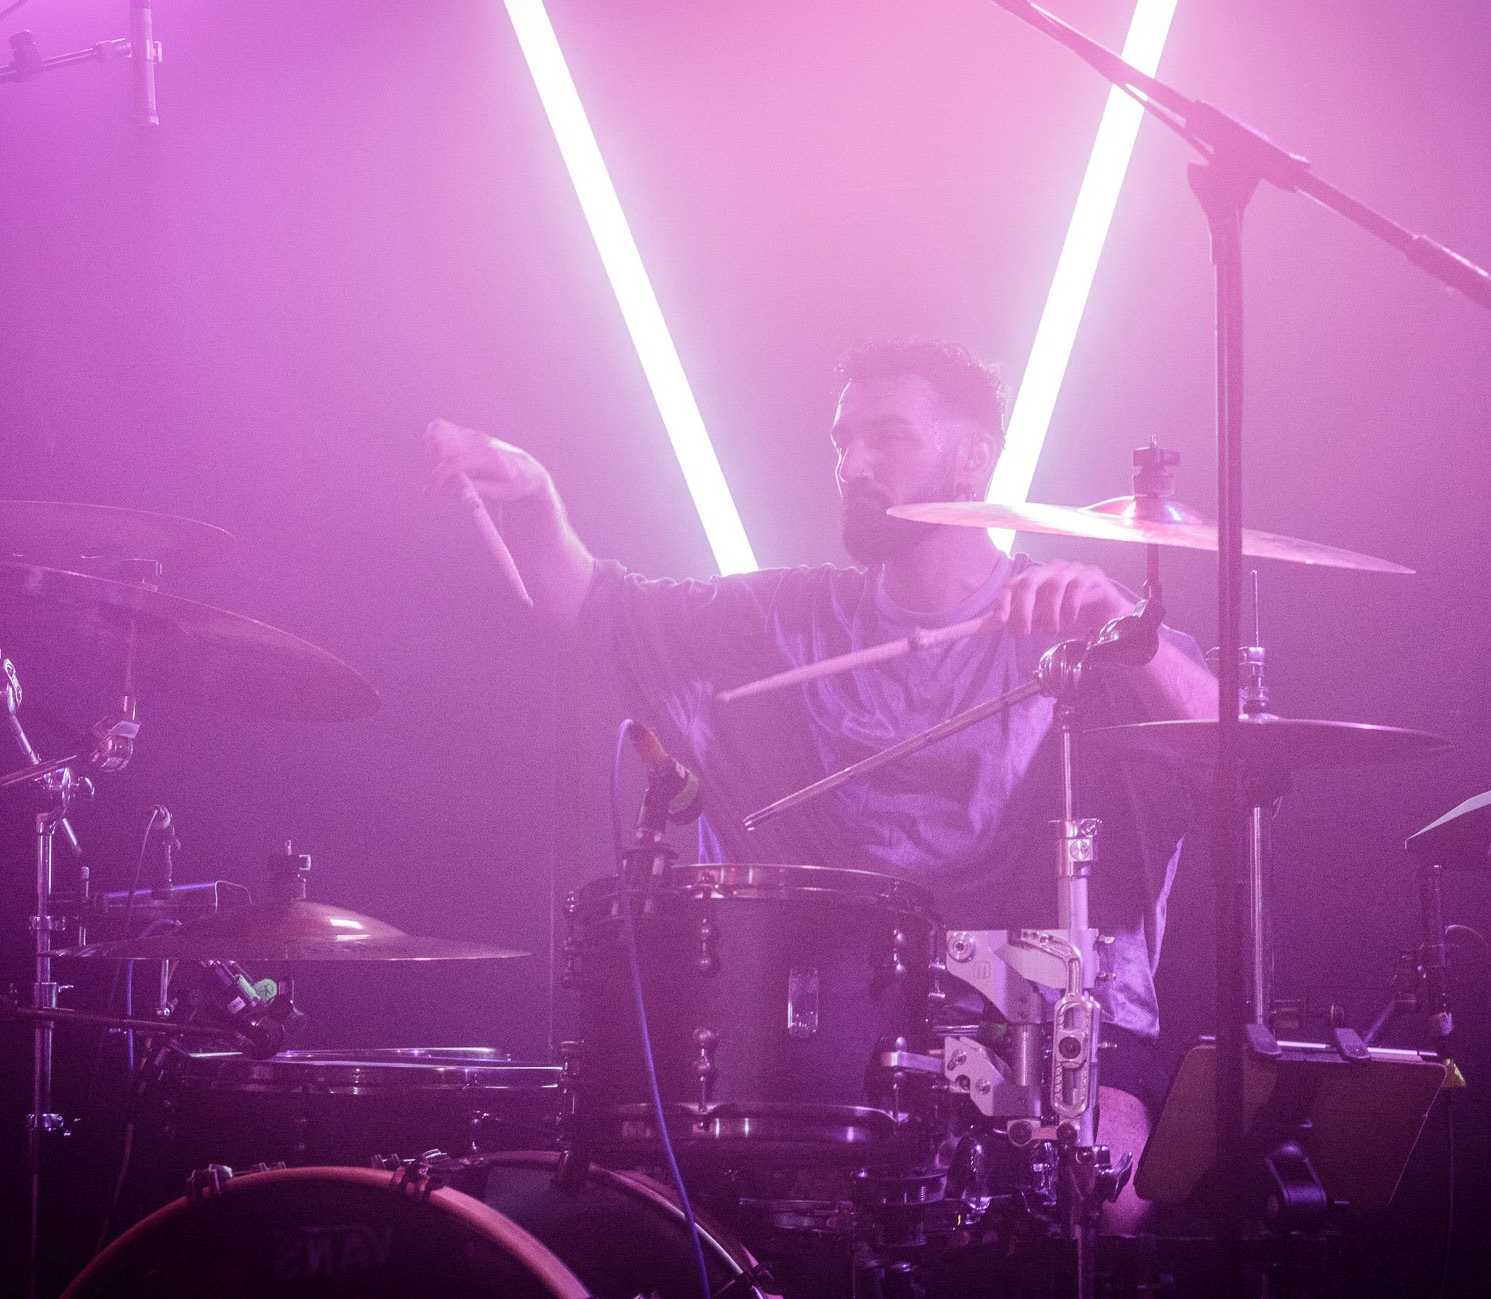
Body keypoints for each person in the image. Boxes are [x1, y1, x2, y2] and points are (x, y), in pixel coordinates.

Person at [425, 340, 1216, 1229]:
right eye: (844, 441)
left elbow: (1239, 751)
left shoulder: (1078, 626)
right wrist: (535, 497)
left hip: (1035, 1024)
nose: (854, 464)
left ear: (973, 455)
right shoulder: (779, 620)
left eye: (887, 437)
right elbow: (589, 605)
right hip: (825, 1041)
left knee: (1107, 1197)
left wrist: (1127, 625)